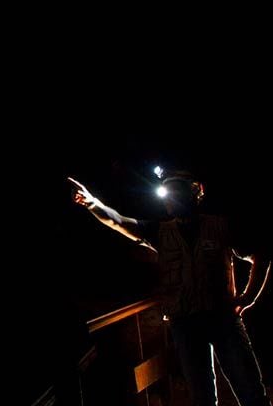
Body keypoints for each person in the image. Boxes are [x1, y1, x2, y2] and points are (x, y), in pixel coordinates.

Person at [70, 170, 271, 406]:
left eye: (176, 192)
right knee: (202, 396)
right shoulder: (160, 232)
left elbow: (261, 256)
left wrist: (248, 298)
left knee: (249, 388)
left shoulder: (220, 226)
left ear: (194, 194)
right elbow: (119, 221)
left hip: (223, 319)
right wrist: (92, 203)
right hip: (185, 324)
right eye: (167, 194)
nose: (170, 199)